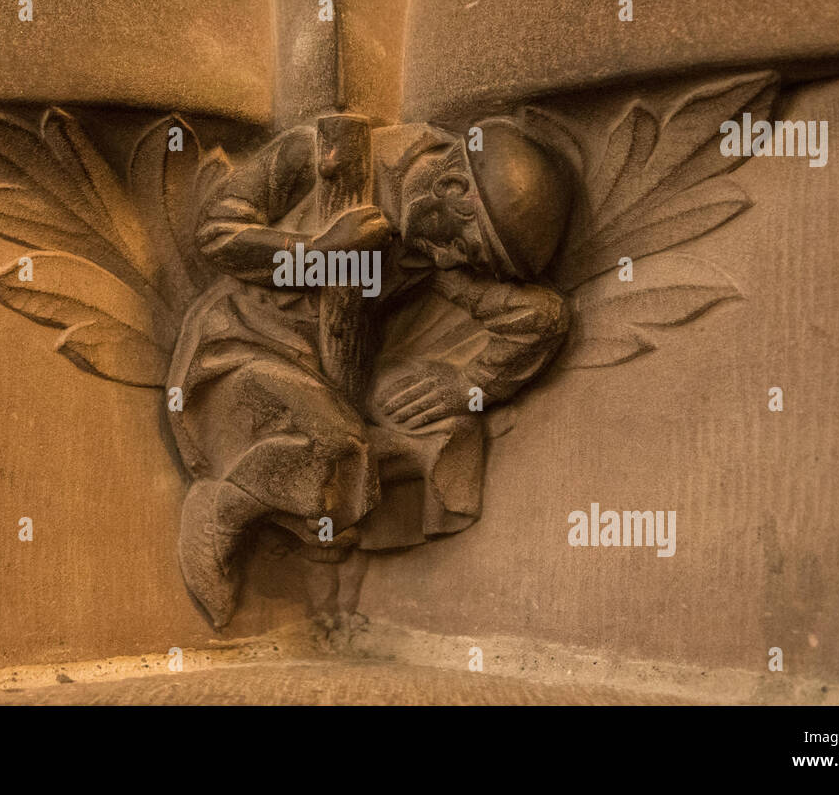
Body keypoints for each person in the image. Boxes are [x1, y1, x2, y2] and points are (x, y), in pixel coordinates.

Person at [167, 117, 573, 627]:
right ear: (451, 187)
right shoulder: (320, 153)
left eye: (468, 259)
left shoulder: (433, 241)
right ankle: (221, 509)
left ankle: (318, 523)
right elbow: (215, 235)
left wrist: (469, 386)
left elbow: (541, 318)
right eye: (460, 246)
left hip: (337, 372)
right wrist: (317, 256)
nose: (450, 261)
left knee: (448, 434)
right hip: (239, 351)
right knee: (338, 443)